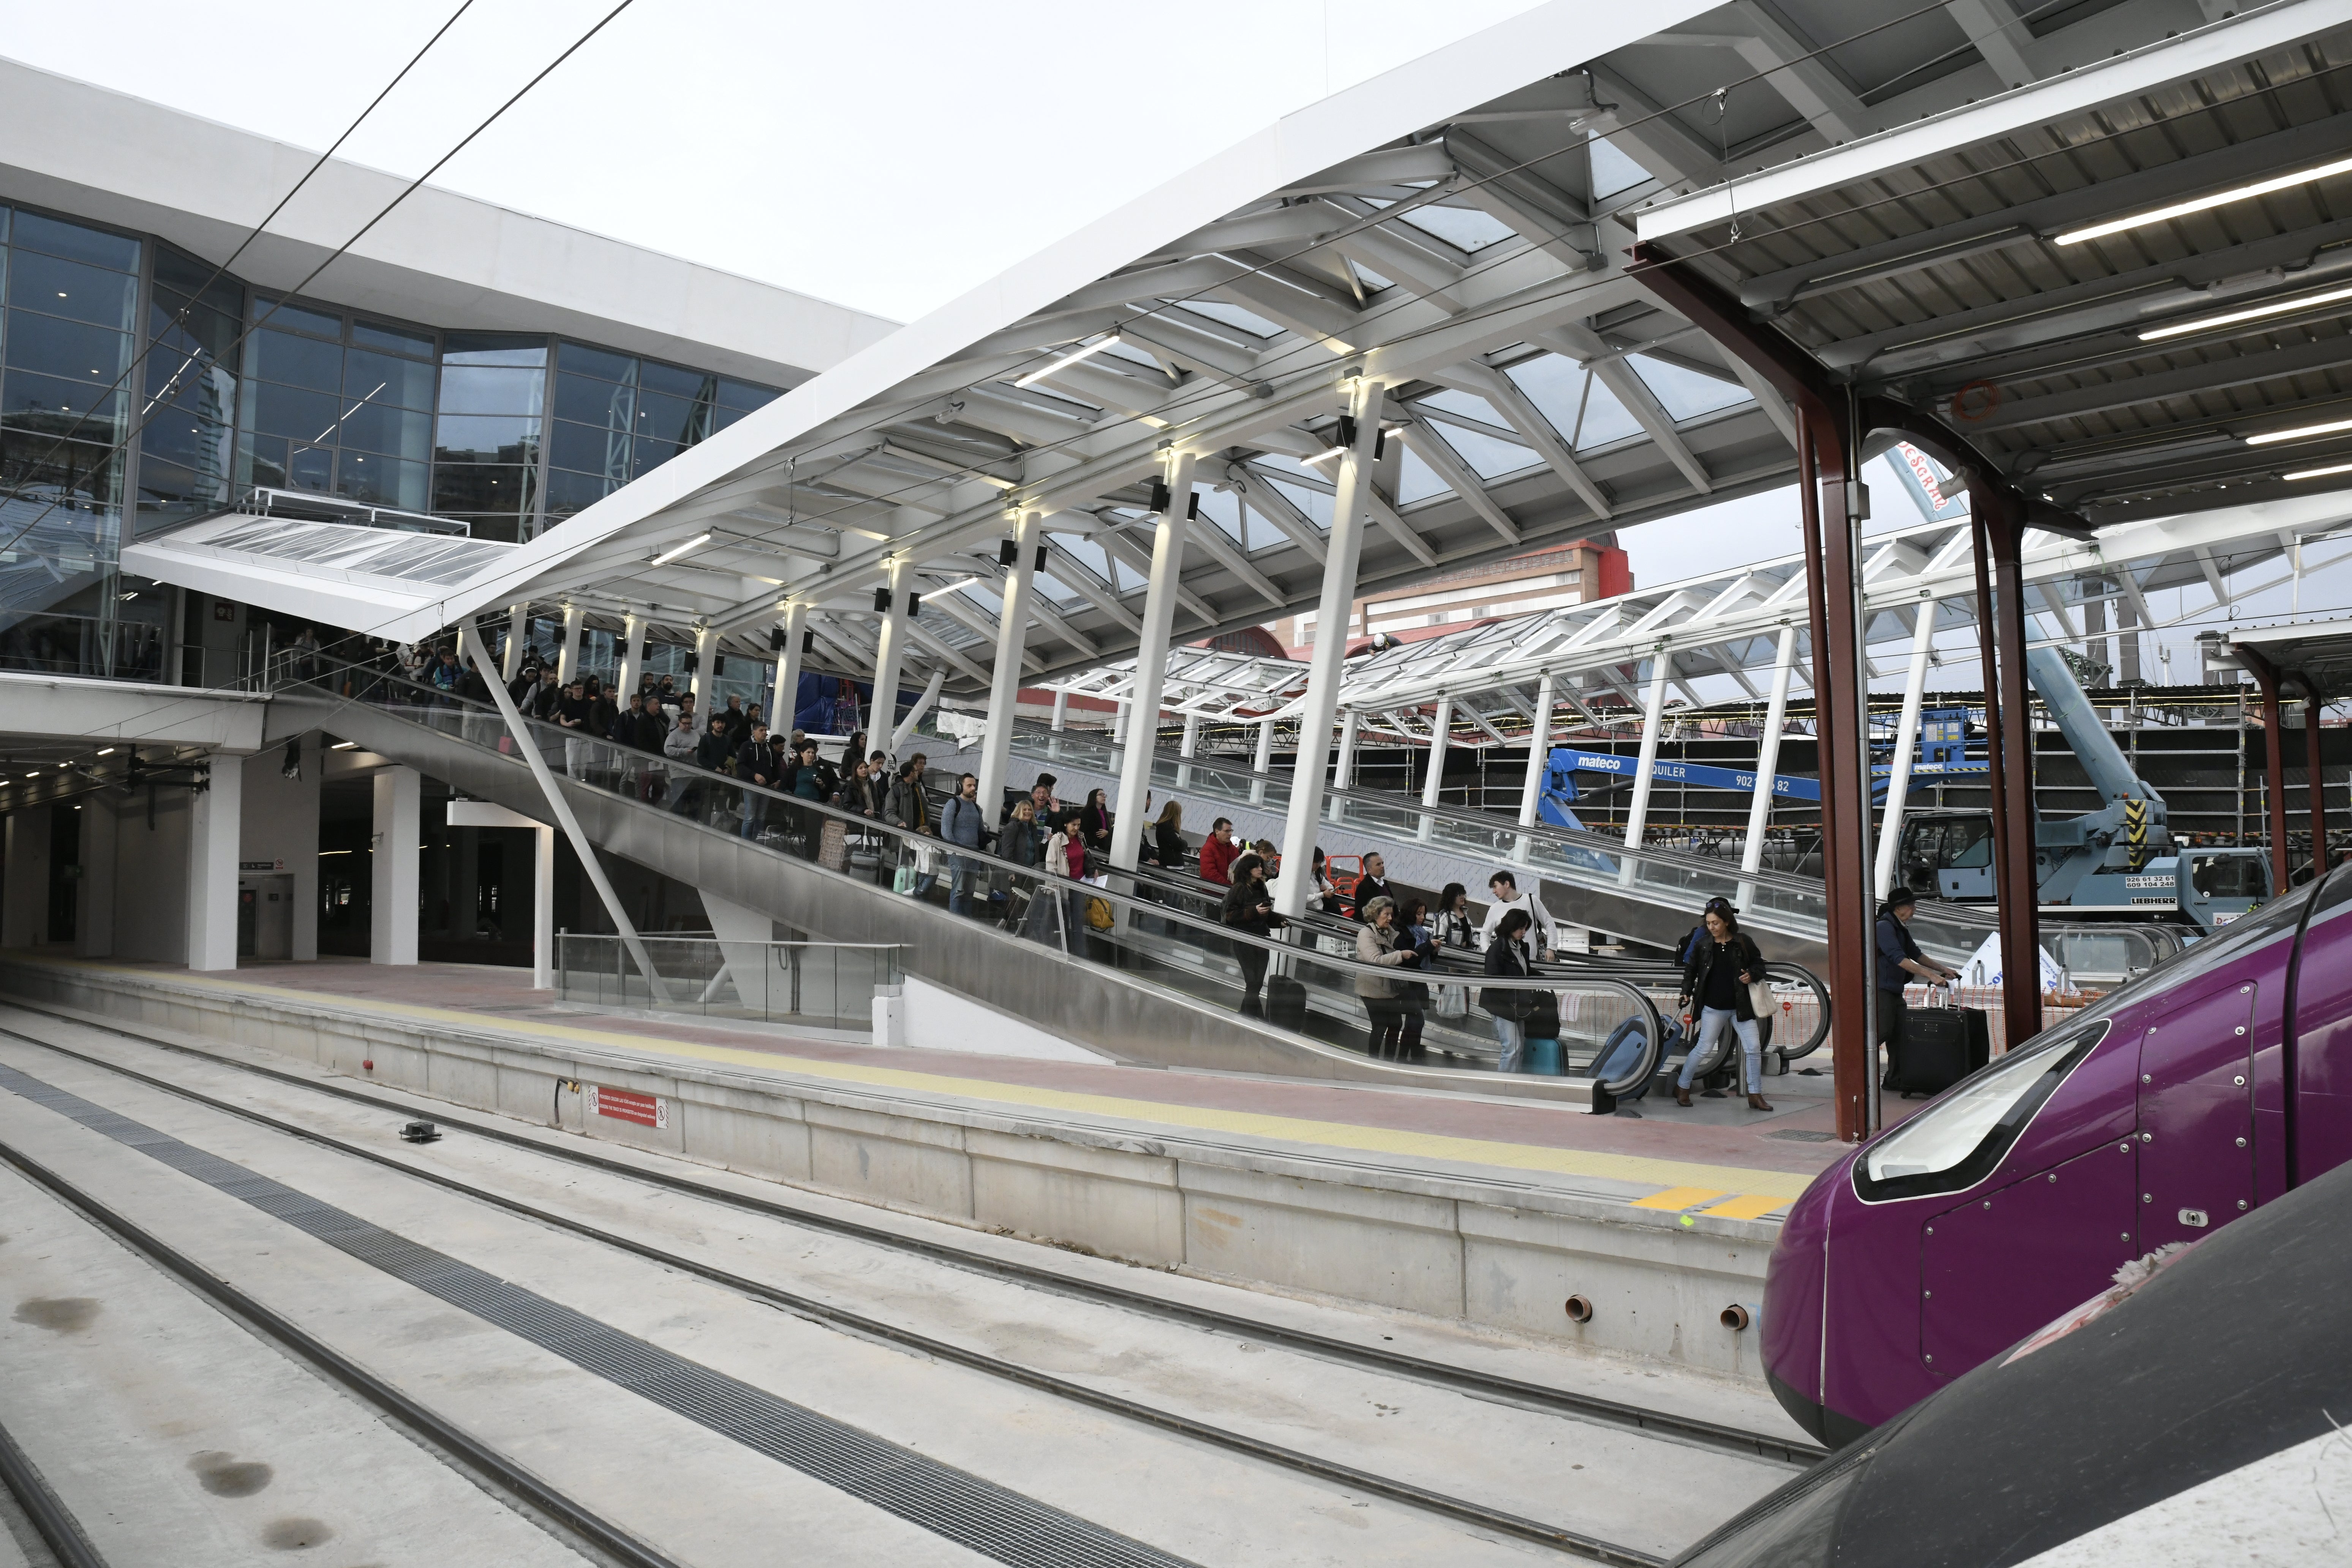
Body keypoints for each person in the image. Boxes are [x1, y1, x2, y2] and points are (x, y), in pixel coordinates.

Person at [1675, 900, 1773, 1111]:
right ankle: (1682, 1087)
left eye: (1716, 923)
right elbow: (1690, 971)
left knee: (1754, 1049)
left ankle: (1755, 1094)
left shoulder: (1743, 942)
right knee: (1703, 1049)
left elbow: (1759, 964)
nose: (1712, 928)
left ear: (1727, 922)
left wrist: (1752, 974)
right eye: (1709, 923)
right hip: (1713, 1008)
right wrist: (1686, 992)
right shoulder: (1703, 945)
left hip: (1740, 1007)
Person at [1876, 887, 1958, 1063]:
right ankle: (1851, 1061)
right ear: (1898, 908)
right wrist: (1931, 975)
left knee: (1900, 1035)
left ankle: (1895, 1080)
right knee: (1884, 1030)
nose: (1915, 909)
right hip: (1881, 990)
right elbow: (1899, 959)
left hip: (1894, 990)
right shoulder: (1884, 927)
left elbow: (1916, 954)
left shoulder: (1901, 928)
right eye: (1911, 905)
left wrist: (1943, 969)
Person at [1354, 896, 1419, 1059]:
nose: (1390, 918)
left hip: (1388, 989)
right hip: (1371, 989)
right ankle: (1374, 1060)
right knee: (1380, 1026)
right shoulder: (1366, 934)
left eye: (1391, 915)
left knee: (1396, 1024)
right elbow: (1375, 961)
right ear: (1375, 914)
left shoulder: (1391, 932)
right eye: (1386, 915)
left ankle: (1389, 1060)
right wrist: (1401, 955)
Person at [1221, 854, 1284, 1015]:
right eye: (1256, 866)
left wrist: (1278, 920)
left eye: (1261, 866)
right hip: (1245, 939)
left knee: (1257, 984)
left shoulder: (1261, 886)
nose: (1260, 869)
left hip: (1261, 937)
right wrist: (1254, 912)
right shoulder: (1239, 889)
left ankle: (1247, 1016)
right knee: (1252, 982)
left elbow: (1266, 914)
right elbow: (1231, 915)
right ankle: (1255, 1018)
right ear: (1248, 870)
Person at [1480, 908, 1539, 1073]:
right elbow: (1493, 979)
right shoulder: (1497, 949)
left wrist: (1543, 977)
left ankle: (1513, 1081)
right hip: (1502, 1005)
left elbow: (1524, 970)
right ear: (1510, 926)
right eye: (1521, 928)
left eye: (1526, 928)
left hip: (1517, 1003)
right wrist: (1512, 996)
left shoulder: (1521, 947)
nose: (1524, 932)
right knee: (1512, 1047)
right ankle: (1504, 1085)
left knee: (1519, 1047)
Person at [940, 772, 991, 917]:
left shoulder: (976, 807)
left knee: (969, 892)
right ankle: (955, 919)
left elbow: (981, 829)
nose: (973, 788)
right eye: (969, 785)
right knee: (958, 890)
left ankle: (966, 920)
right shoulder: (953, 804)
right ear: (960, 786)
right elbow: (946, 832)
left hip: (973, 855)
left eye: (974, 785)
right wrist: (957, 850)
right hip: (958, 855)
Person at [1481, 869, 1561, 959]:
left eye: (1495, 887)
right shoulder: (1494, 909)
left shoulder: (1531, 900)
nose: (1494, 891)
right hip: (1505, 960)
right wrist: (1487, 952)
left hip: (1531, 959)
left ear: (1507, 884)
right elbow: (1485, 933)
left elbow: (1549, 923)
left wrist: (1551, 948)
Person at [736, 722, 781, 839]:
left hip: (767, 787)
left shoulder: (769, 747)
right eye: (761, 730)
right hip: (752, 786)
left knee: (761, 817)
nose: (764, 733)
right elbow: (740, 766)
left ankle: (757, 841)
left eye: (766, 730)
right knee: (750, 817)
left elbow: (776, 765)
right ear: (754, 732)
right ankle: (745, 842)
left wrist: (778, 780)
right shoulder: (747, 746)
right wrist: (754, 775)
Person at [1350, 852, 1397, 921]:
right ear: (1369, 870)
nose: (1382, 866)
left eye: (1382, 863)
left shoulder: (1384, 883)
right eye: (1378, 865)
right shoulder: (1364, 888)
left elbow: (1393, 906)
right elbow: (1361, 915)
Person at [1151, 801, 1187, 877]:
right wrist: (1185, 843)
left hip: (1173, 866)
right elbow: (1178, 844)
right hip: (1170, 867)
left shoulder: (1168, 827)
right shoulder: (1166, 827)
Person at [1200, 818, 1239, 886]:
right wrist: (1229, 887)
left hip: (1232, 891)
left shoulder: (1233, 849)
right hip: (1216, 893)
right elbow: (1209, 874)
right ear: (1217, 832)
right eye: (1227, 831)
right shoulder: (1208, 849)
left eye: (1231, 831)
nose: (1230, 834)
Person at [1080, 788, 1114, 862]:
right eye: (1101, 795)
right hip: (1093, 847)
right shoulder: (1087, 812)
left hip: (1104, 847)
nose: (1104, 797)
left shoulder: (1105, 813)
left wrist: (1108, 833)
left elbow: (1108, 829)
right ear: (1094, 798)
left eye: (1104, 795)